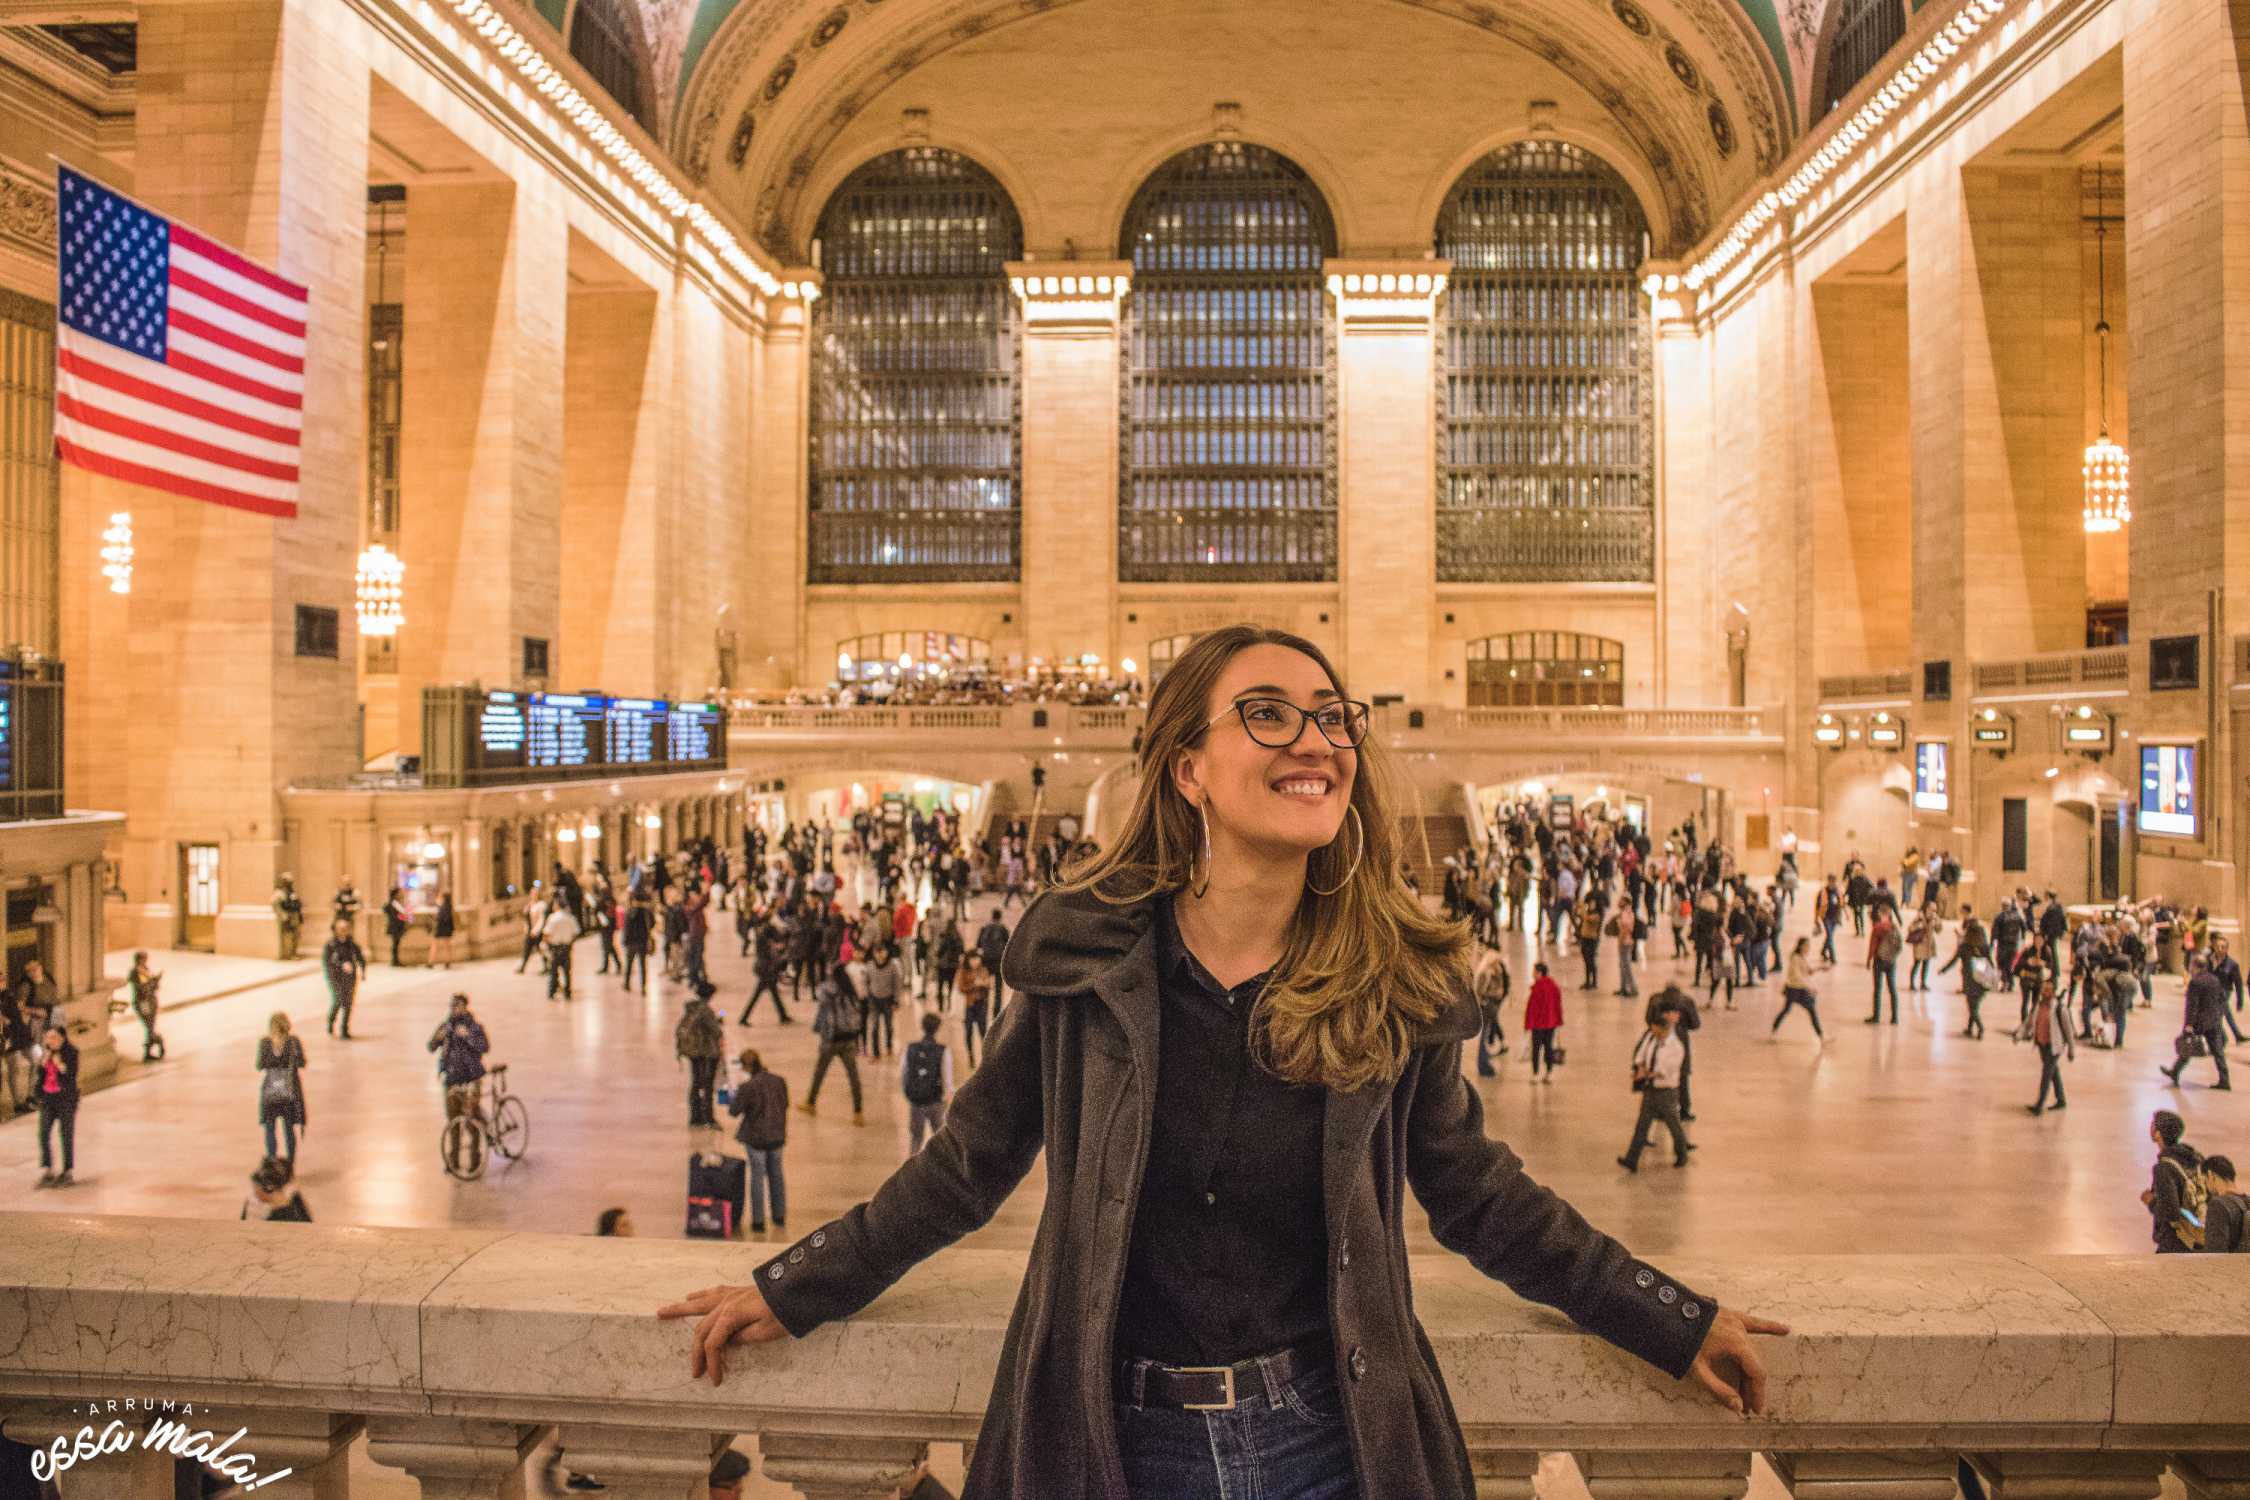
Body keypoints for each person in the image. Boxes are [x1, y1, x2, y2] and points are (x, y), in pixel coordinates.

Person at [659, 625, 1783, 1499]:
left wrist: (1662, 1314)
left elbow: (1478, 1194)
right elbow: (967, 1165)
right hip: (1109, 1443)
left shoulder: (1391, 973)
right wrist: (790, 1286)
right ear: (1188, 768)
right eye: (1268, 715)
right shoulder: (1084, 951)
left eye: (1332, 717)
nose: (1316, 740)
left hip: (1330, 1446)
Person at [1620, 998, 1693, 1172]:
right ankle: (1632, 1159)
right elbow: (1641, 1055)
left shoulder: (1676, 1047)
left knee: (1673, 1125)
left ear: (1664, 1029)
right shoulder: (1652, 1038)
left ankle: (1682, 1153)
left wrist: (1647, 1073)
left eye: (1656, 1031)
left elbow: (1666, 1070)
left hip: (1667, 1092)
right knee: (1642, 1125)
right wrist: (1641, 1068)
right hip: (1650, 1090)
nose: (1654, 1033)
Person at [428, 994, 490, 1177]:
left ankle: (474, 1160)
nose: (455, 1009)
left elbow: (484, 1046)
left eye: (458, 1006)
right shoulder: (446, 1026)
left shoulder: (473, 1026)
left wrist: (468, 1036)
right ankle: (452, 1161)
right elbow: (430, 1046)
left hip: (470, 1079)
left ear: (465, 1007)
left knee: (471, 1121)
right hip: (451, 1080)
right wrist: (437, 1038)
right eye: (452, 1006)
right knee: (453, 1121)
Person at [798, 963, 866, 1123]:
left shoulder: (827, 989)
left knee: (820, 1072)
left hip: (831, 1039)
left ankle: (810, 1102)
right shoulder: (851, 991)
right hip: (849, 1039)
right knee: (853, 1076)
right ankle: (858, 1112)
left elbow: (822, 1012)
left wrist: (818, 1030)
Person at [730, 1048, 789, 1232]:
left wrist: (734, 1096)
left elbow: (734, 1111)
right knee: (776, 1175)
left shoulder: (747, 1087)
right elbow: (786, 1103)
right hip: (777, 1136)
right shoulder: (779, 1081)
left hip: (756, 1139)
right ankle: (779, 1216)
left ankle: (758, 1221)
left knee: (757, 1177)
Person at [2162, 953, 2235, 1091]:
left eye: (2191, 965)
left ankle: (2175, 1072)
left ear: (2194, 966)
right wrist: (2218, 1015)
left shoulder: (2195, 982)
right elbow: (2222, 999)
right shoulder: (2214, 979)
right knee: (2218, 1050)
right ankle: (2225, 1080)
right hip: (2214, 1020)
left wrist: (2189, 1024)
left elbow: (2192, 1005)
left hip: (2200, 1022)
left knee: (2188, 1046)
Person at [2141, 1110, 2205, 1254]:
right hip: (2197, 1235)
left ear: (2158, 1133)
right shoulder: (2195, 1157)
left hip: (2175, 1241)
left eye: (2153, 1124)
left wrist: (2150, 1201)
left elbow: (2170, 1212)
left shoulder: (2164, 1168)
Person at [256, 1012, 308, 1166]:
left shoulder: (265, 1043)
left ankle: (272, 1161)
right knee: (288, 1129)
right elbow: (302, 1063)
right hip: (289, 1091)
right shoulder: (293, 1042)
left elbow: (259, 1065)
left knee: (270, 1129)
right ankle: (290, 1165)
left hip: (271, 1091)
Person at [902, 1009, 955, 1155]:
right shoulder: (943, 1051)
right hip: (935, 1101)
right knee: (940, 1141)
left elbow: (905, 1074)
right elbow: (947, 1079)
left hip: (916, 1101)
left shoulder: (910, 1048)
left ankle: (911, 1172)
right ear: (937, 1028)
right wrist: (946, 1098)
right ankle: (941, 1173)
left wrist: (909, 1093)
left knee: (916, 1139)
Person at [31, 1023, 77, 1188]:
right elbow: (40, 1077)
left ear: (62, 1039)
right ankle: (48, 1169)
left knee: (66, 1135)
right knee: (43, 1133)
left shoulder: (71, 1053)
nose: (51, 1041)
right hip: (48, 1099)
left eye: (54, 1038)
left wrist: (59, 1065)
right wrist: (43, 1064)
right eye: (48, 1037)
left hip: (65, 1099)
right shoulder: (45, 1054)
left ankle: (67, 1171)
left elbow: (71, 1076)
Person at [2023, 978, 2075, 1115]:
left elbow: (2069, 1030)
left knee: (2046, 1074)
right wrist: (2019, 1034)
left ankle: (2039, 1105)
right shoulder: (2038, 1006)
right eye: (2043, 989)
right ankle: (2061, 1099)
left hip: (2054, 1046)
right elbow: (2030, 1021)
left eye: (2048, 990)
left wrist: (2071, 1049)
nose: (2044, 992)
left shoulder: (2060, 1009)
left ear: (2053, 992)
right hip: (2042, 1044)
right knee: (2054, 1072)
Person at [678, 981, 726, 1127]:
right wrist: (719, 1021)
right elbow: (717, 1032)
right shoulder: (706, 1011)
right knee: (708, 1085)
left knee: (695, 1083)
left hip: (693, 1051)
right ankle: (709, 1118)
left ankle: (695, 1117)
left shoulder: (691, 1008)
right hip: (707, 1052)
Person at [322, 917, 367, 1039]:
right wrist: (340, 965)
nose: (344, 931)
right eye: (341, 929)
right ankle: (331, 1021)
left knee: (348, 1002)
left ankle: (344, 1029)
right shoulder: (330, 945)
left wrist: (363, 971)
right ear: (335, 930)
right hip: (336, 977)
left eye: (346, 928)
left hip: (349, 977)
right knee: (338, 1000)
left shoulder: (351, 944)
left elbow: (360, 957)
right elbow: (327, 962)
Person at [1471, 939, 1510, 1077]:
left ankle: (1485, 1060)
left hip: (1490, 1005)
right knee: (1484, 1037)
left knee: (1486, 1035)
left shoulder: (1492, 969)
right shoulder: (1489, 971)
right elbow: (1481, 990)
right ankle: (1483, 1064)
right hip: (1489, 1006)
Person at [1774, 938, 1826, 1041]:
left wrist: (1820, 968)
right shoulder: (1795, 958)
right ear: (1801, 946)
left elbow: (1808, 971)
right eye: (1806, 946)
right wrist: (1809, 988)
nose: (1808, 948)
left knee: (1793, 1010)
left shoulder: (1802, 957)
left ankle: (1821, 1036)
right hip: (1794, 989)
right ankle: (1774, 1031)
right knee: (1789, 1010)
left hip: (1799, 989)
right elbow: (1797, 976)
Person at [862, 942, 904, 1059]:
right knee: (874, 1026)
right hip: (874, 1000)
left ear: (886, 952)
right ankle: (876, 1053)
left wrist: (896, 1000)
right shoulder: (869, 966)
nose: (880, 955)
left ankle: (889, 1046)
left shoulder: (893, 966)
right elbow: (866, 982)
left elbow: (897, 984)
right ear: (874, 953)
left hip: (888, 1000)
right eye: (877, 952)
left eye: (882, 951)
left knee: (889, 1025)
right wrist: (867, 996)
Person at [1523, 960, 1563, 1081]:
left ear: (1539, 973)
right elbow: (1557, 1005)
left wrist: (1527, 1025)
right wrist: (1558, 1020)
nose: (1532, 974)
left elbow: (1532, 1009)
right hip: (1551, 1023)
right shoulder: (1553, 986)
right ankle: (1548, 1073)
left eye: (1534, 971)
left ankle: (1535, 1074)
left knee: (1536, 1049)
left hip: (1538, 1025)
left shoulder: (1537, 988)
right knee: (1548, 1047)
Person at [240, 1157, 312, 1222]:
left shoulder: (280, 1216)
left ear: (269, 1188)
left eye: (256, 1191)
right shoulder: (295, 1199)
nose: (254, 1194)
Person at [2199, 1157, 2246, 1254]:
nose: (2206, 1186)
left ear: (2210, 1175)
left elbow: (2215, 1253)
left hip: (2230, 1267)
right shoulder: (2247, 1201)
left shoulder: (2218, 1205)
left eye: (2204, 1181)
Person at [956, 948, 993, 1068]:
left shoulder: (983, 970)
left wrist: (985, 985)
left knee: (983, 1031)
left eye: (977, 959)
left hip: (982, 1004)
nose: (975, 961)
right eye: (973, 959)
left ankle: (985, 1057)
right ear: (968, 960)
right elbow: (961, 988)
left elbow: (989, 985)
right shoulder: (963, 971)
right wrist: (974, 985)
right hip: (969, 1005)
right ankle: (971, 1056)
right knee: (968, 1032)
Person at [124, 950, 165, 1062]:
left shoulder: (146, 970)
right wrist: (152, 981)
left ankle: (150, 1051)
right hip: (143, 1002)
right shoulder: (135, 972)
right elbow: (141, 986)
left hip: (150, 1001)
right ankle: (159, 1042)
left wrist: (155, 981)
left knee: (150, 1026)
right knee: (149, 1026)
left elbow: (153, 986)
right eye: (142, 958)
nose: (144, 961)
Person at [1866, 904, 1902, 1024]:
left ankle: (1876, 1017)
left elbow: (1873, 945)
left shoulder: (1878, 927)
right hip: (1891, 961)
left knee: (1878, 989)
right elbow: (1899, 946)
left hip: (1879, 960)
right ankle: (1895, 1017)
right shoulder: (1894, 927)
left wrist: (1869, 959)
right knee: (1892, 989)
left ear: (1881, 914)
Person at [543, 896, 580, 1000]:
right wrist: (569, 942)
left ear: (557, 905)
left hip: (555, 947)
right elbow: (575, 932)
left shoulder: (552, 918)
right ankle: (567, 992)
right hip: (566, 947)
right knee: (567, 972)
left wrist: (547, 944)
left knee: (553, 971)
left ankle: (551, 992)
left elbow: (546, 933)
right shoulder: (570, 917)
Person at [622, 891, 654, 992]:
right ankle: (643, 986)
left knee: (629, 964)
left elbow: (626, 928)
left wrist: (625, 941)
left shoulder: (628, 912)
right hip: (642, 941)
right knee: (643, 965)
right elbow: (652, 923)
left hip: (631, 942)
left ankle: (626, 984)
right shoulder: (646, 912)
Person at [272, 874, 304, 960]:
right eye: (287, 881)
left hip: (294, 916)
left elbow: (298, 903)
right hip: (287, 916)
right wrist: (283, 915)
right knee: (287, 936)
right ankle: (287, 954)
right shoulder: (279, 893)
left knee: (295, 935)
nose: (289, 883)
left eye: (290, 881)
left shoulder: (292, 892)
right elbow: (276, 905)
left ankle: (293, 953)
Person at [383, 887, 413, 968]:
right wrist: (403, 917)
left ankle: (395, 960)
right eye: (399, 893)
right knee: (395, 943)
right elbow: (395, 916)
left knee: (396, 943)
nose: (401, 894)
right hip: (395, 927)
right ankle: (395, 960)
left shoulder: (397, 903)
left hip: (397, 926)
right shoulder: (393, 904)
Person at [430, 890, 458, 970]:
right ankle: (448, 962)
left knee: (435, 945)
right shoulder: (449, 906)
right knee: (447, 946)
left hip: (441, 929)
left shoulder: (442, 907)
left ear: (443, 898)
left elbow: (440, 918)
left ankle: (431, 962)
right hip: (448, 929)